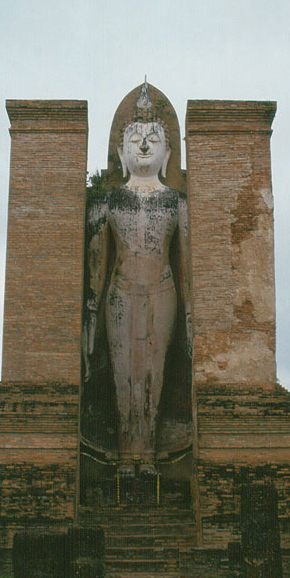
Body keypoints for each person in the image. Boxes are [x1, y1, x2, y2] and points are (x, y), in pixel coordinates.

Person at [83, 82, 191, 479]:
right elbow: (96, 267)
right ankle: (128, 455)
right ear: (121, 152)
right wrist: (91, 315)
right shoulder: (107, 203)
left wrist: (193, 318)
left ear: (166, 153)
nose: (143, 146)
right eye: (135, 139)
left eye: (153, 139)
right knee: (123, 374)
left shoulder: (177, 204)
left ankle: (147, 453)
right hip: (119, 293)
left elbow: (187, 270)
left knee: (154, 372)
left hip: (163, 291)